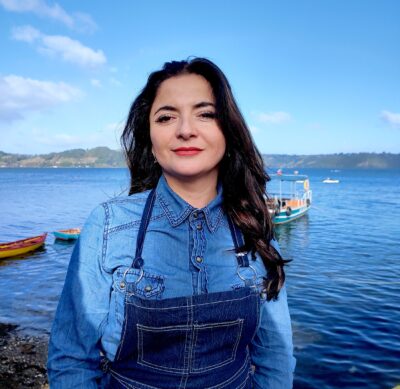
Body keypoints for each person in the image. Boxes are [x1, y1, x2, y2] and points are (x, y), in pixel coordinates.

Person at [47, 57, 296, 388]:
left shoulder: (252, 225)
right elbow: (72, 359)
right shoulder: (109, 224)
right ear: (150, 139)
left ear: (228, 132)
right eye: (166, 117)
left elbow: (276, 355)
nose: (185, 129)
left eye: (205, 113)